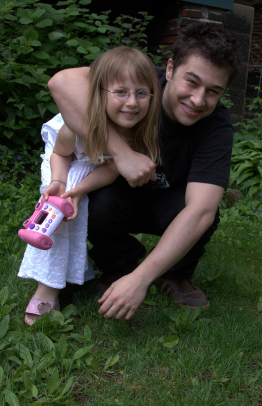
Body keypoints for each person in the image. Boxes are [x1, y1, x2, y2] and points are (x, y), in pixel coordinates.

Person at [48, 22, 241, 321]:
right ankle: (119, 266)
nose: (198, 100)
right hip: (121, 192)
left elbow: (201, 210)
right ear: (169, 69)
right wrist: (122, 154)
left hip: (169, 204)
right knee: (99, 200)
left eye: (213, 91)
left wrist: (143, 279)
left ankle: (175, 275)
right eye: (191, 82)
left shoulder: (217, 128)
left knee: (207, 213)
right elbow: (61, 82)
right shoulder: (138, 85)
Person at [18, 46, 161, 325]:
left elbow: (111, 168)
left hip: (93, 165)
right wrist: (61, 185)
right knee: (60, 213)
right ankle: (47, 288)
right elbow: (61, 154)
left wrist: (81, 191)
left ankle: (67, 275)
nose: (132, 102)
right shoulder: (76, 125)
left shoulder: (136, 131)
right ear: (99, 93)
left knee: (78, 203)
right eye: (121, 92)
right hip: (63, 161)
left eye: (141, 93)